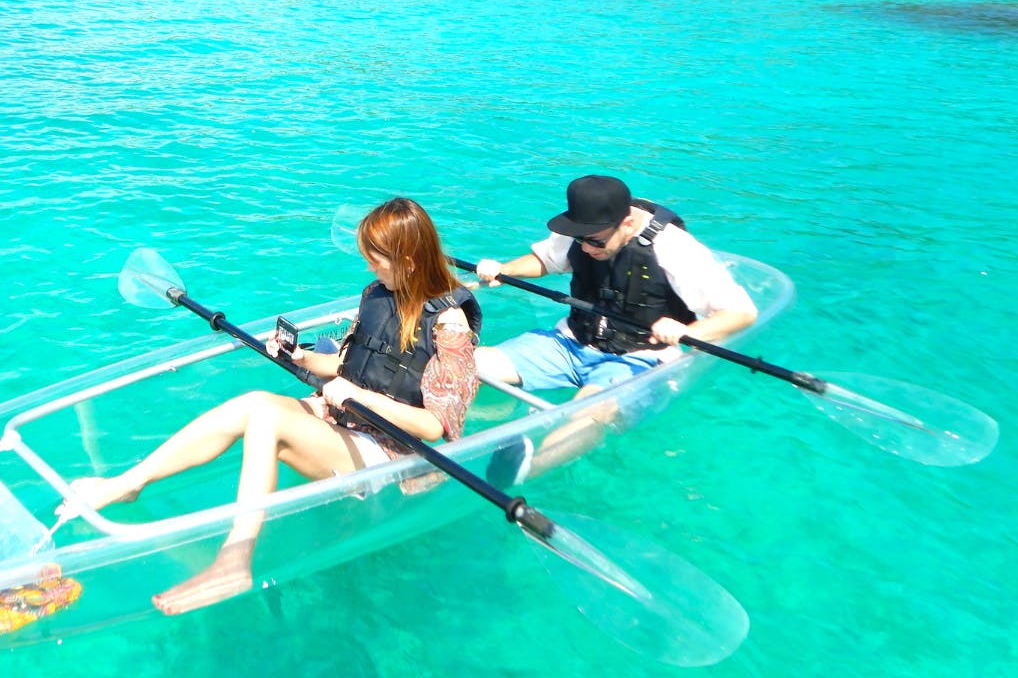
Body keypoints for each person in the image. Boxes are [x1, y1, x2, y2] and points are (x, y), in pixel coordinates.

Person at [70, 197, 481, 616]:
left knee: (267, 417)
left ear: (408, 262)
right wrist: (300, 357)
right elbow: (345, 362)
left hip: (397, 454)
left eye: (376, 261)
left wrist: (359, 397)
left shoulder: (450, 325)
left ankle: (235, 560)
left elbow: (437, 426)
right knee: (252, 404)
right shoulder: (378, 294)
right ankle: (128, 483)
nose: (369, 268)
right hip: (345, 418)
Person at [473, 175, 757, 483]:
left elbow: (741, 312)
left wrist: (687, 332)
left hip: (640, 358)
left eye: (595, 241)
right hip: (570, 342)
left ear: (629, 224)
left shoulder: (676, 250)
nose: (585, 247)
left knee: (593, 408)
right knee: (468, 363)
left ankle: (523, 471)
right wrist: (506, 270)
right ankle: (430, 438)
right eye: (580, 239)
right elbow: (546, 260)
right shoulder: (585, 230)